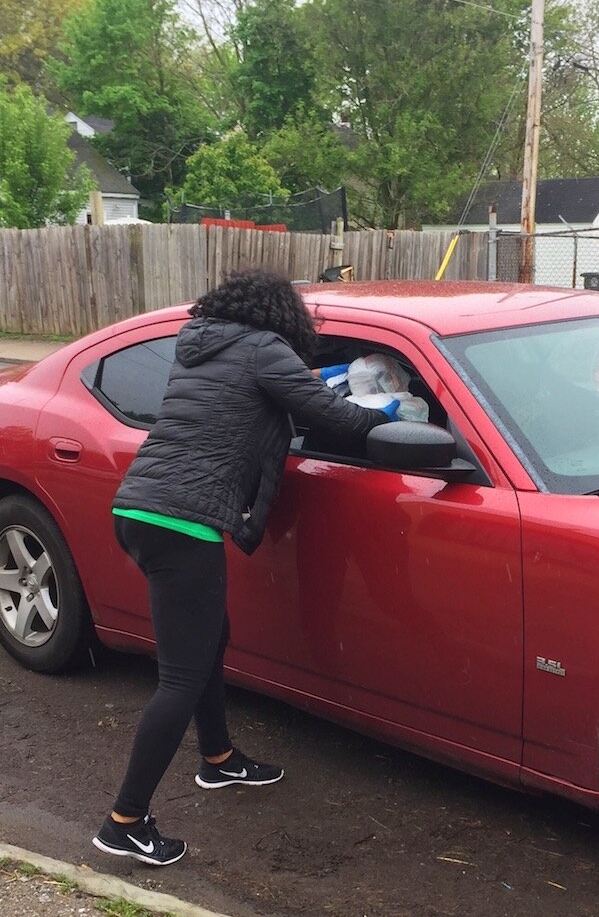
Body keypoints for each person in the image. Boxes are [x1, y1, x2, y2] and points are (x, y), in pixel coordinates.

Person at [93, 269, 396, 868]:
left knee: (210, 639)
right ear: (282, 314)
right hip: (181, 522)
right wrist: (392, 420)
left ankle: (219, 759)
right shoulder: (264, 349)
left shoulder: (202, 347)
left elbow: (253, 407)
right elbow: (329, 416)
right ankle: (124, 821)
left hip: (139, 508)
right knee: (181, 676)